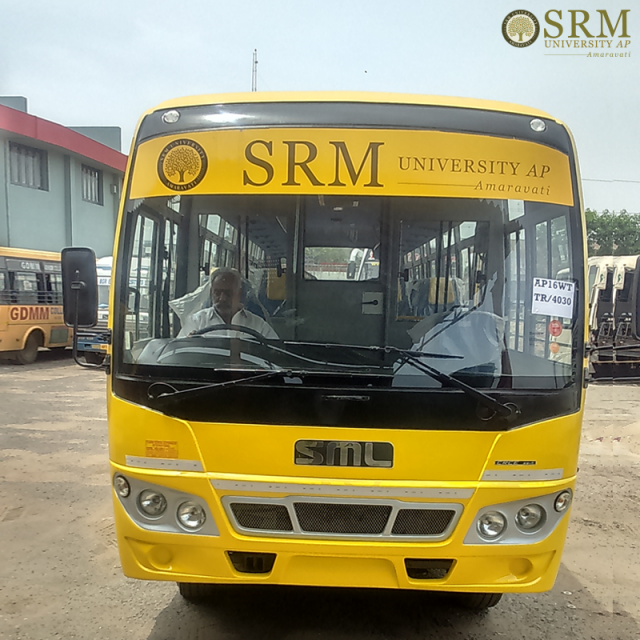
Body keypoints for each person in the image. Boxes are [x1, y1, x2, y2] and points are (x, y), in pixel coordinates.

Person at [178, 268, 278, 339]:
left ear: (240, 294)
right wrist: (189, 342)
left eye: (228, 293)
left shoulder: (259, 325)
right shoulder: (196, 322)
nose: (222, 298)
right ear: (211, 292)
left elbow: (275, 353)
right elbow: (180, 353)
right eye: (217, 293)